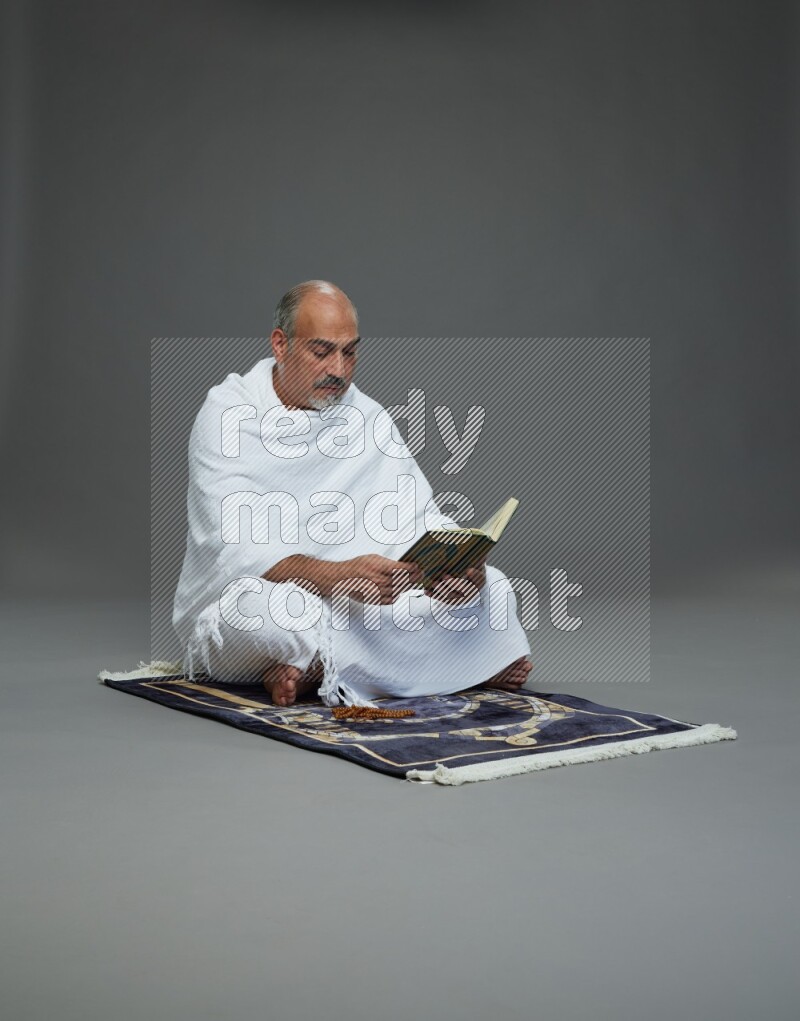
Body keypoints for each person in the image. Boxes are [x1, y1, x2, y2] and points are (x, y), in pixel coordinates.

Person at [172, 280, 533, 707]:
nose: (339, 371)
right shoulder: (228, 416)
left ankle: (316, 666)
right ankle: (460, 665)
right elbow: (236, 550)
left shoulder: (365, 414)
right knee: (266, 612)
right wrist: (339, 576)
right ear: (281, 345)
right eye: (322, 352)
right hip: (273, 596)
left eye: (350, 353)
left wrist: (457, 565)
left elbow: (419, 516)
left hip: (365, 602)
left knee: (496, 589)